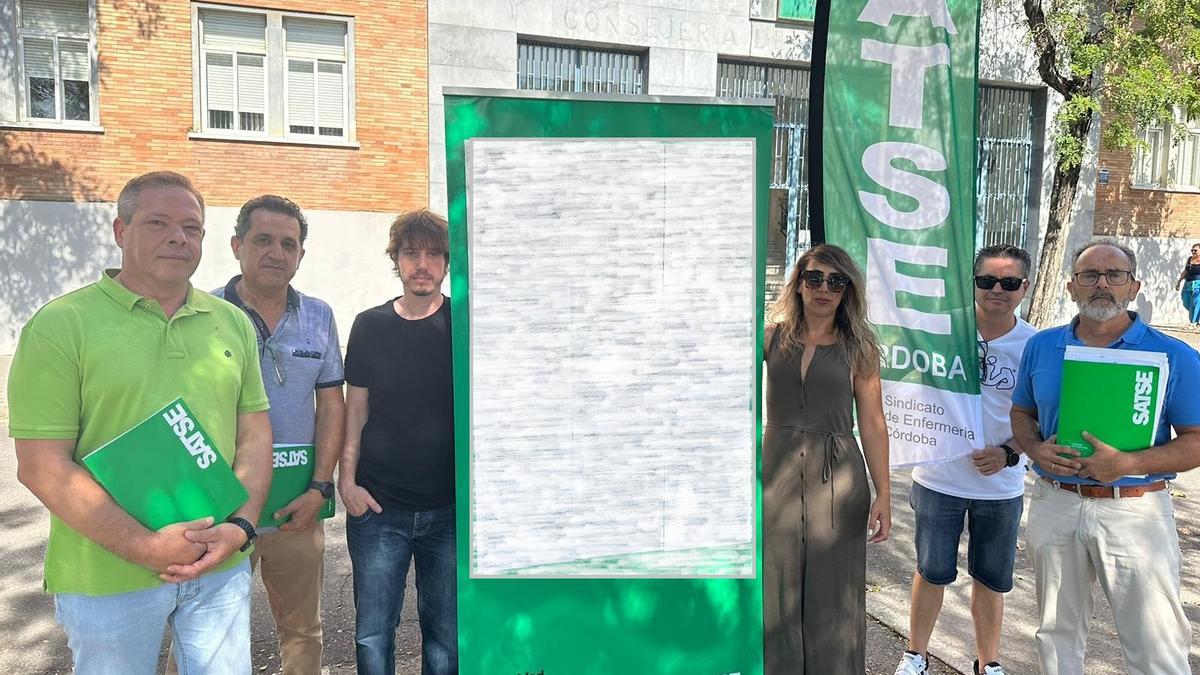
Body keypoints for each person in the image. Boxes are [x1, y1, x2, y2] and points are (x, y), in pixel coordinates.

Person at [7, 171, 273, 674]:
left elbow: (255, 435)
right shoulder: (61, 325)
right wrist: (147, 547)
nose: (178, 237)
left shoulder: (232, 322)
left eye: (191, 228)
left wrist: (240, 528)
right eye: (158, 223)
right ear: (120, 230)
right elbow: (42, 466)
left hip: (219, 564)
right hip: (108, 574)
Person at [1011, 239, 1200, 675]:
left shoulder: (1173, 355)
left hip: (1134, 509)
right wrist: (1035, 448)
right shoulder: (1042, 346)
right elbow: (1021, 412)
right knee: (1056, 637)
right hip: (1056, 502)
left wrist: (1129, 464)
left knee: (1155, 645)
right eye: (1089, 275)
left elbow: (1196, 440)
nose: (1102, 284)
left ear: (1133, 286)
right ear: (1071, 286)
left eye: (1114, 275)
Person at [213, 195, 347, 673]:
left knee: (303, 630)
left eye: (288, 244)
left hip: (295, 509)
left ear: (300, 254)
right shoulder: (202, 312)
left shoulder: (319, 316)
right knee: (206, 634)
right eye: (263, 240)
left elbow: (331, 406)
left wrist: (320, 487)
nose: (276, 253)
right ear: (237, 246)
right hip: (220, 507)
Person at [893, 245, 1036, 675]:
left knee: (991, 580)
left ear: (1025, 287)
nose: (997, 290)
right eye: (986, 280)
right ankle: (915, 656)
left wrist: (1009, 452)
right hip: (939, 478)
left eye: (1009, 282)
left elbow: (1045, 415)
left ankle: (989, 663)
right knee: (931, 571)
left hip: (1001, 486)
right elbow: (898, 382)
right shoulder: (939, 331)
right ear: (972, 283)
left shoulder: (1034, 345)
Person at [762, 243, 891, 674]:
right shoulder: (770, 336)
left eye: (836, 282)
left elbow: (872, 421)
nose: (824, 289)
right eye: (814, 278)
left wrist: (884, 492)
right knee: (776, 582)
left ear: (847, 290)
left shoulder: (859, 347)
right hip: (775, 472)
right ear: (798, 283)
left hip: (837, 476)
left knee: (833, 589)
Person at [340, 209, 457, 675]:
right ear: (396, 260)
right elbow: (355, 409)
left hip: (449, 511)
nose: (422, 264)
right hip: (378, 508)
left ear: (447, 262)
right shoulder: (370, 325)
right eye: (411, 253)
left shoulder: (463, 325)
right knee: (373, 635)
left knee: (446, 639)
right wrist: (346, 482)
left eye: (433, 254)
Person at [1173, 242, 1200, 326]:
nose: (1193, 252)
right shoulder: (1189, 259)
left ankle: (1194, 322)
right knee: (1185, 301)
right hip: (1187, 283)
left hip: (1198, 283)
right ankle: (1195, 319)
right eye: (1192, 250)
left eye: (1195, 250)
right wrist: (1179, 282)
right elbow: (1185, 271)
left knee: (1195, 302)